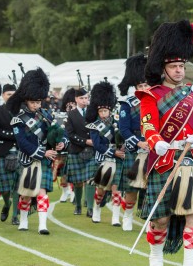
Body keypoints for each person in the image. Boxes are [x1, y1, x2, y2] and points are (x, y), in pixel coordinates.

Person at [136, 20, 193, 266]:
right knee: (161, 218)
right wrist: (156, 141)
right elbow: (148, 123)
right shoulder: (150, 94)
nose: (180, 71)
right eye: (174, 66)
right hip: (164, 159)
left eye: (182, 66)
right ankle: (156, 257)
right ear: (163, 68)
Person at [7, 68, 65, 234]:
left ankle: (42, 225)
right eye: (33, 102)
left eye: (39, 102)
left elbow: (59, 132)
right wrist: (42, 153)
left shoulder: (47, 115)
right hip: (28, 158)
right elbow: (22, 142)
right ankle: (24, 219)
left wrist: (61, 143)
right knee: (26, 194)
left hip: (44, 161)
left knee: (42, 192)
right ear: (26, 100)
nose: (36, 105)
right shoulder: (18, 118)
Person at [117, 53, 149, 231]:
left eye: (146, 84)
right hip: (135, 148)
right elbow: (124, 129)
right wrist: (138, 143)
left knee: (149, 186)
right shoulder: (127, 104)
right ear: (135, 86)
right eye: (140, 85)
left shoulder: (156, 103)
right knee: (131, 189)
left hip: (152, 147)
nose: (143, 87)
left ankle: (146, 218)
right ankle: (127, 215)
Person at [85, 80, 125, 226]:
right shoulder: (94, 126)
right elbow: (97, 144)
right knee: (101, 190)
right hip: (102, 159)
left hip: (117, 160)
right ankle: (96, 209)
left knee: (117, 190)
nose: (103, 114)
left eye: (105, 111)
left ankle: (115, 217)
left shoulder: (117, 123)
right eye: (100, 111)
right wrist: (113, 152)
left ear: (110, 110)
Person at [0, 83, 21, 225]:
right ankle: (7, 204)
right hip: (4, 152)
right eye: (9, 94)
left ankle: (15, 215)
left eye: (13, 94)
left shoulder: (22, 110)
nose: (11, 97)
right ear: (3, 95)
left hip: (20, 152)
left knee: (17, 186)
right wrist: (16, 135)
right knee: (4, 187)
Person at [64, 86, 95, 216]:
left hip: (92, 151)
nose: (84, 100)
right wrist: (85, 141)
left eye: (86, 98)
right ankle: (77, 205)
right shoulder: (71, 114)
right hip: (76, 150)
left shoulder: (93, 113)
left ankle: (90, 208)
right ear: (76, 99)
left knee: (91, 179)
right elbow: (70, 135)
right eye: (81, 98)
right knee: (77, 182)